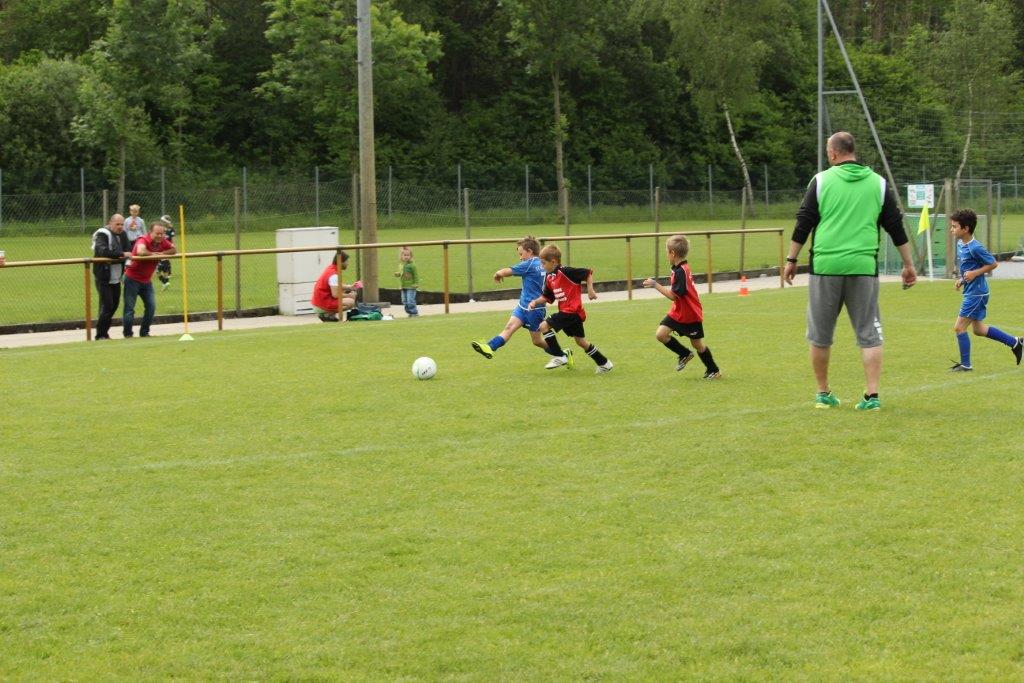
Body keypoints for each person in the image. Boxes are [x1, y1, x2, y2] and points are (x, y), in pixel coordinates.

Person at [783, 131, 917, 411]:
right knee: (869, 334)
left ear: (833, 153)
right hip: (863, 267)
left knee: (820, 335)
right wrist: (908, 265)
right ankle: (872, 396)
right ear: (853, 151)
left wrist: (791, 259)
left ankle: (823, 394)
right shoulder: (878, 183)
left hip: (825, 267)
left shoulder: (821, 181)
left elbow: (804, 222)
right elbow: (895, 226)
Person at [947, 208, 1023, 371]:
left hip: (977, 293)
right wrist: (962, 280)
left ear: (965, 229)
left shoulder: (975, 247)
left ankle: (966, 365)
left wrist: (974, 273)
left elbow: (992, 264)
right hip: (973, 291)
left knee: (959, 327)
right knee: (979, 329)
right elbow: (969, 268)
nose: (951, 229)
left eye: (954, 226)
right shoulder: (960, 244)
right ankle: (1015, 342)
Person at [471, 236, 564, 363]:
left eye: (521, 254)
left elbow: (508, 271)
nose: (520, 258)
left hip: (534, 309)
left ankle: (562, 354)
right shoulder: (542, 264)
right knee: (509, 328)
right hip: (524, 306)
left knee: (537, 341)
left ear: (530, 251)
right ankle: (489, 347)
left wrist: (498, 274)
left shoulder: (529, 264)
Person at [642, 234, 721, 379]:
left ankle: (713, 370)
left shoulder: (681, 271)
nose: (666, 255)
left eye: (667, 252)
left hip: (691, 314)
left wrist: (655, 284)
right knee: (661, 334)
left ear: (672, 253)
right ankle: (684, 354)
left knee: (697, 344)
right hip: (679, 312)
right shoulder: (679, 268)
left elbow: (673, 296)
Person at [527, 244, 613, 373]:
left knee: (543, 326)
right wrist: (535, 302)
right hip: (570, 313)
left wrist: (590, 290)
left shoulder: (566, 271)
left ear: (553, 262)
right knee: (581, 342)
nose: (542, 266)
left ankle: (560, 356)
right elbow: (547, 297)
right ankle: (604, 363)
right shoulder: (550, 278)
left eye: (544, 263)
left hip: (572, 311)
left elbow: (587, 273)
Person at [122, 217, 177, 338]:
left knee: (151, 307)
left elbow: (174, 250)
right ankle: (128, 335)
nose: (160, 236)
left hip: (146, 281)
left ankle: (144, 332)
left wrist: (162, 253)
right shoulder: (143, 239)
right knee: (129, 308)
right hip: (132, 279)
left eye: (162, 234)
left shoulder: (162, 241)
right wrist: (154, 254)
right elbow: (141, 251)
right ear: (150, 232)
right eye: (157, 233)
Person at [91, 214, 132, 340]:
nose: (120, 227)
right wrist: (121, 254)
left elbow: (128, 250)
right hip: (103, 276)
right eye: (117, 224)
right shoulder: (102, 234)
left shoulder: (123, 234)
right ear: (110, 223)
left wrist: (123, 255)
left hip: (116, 276)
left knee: (114, 305)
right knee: (107, 305)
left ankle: (104, 332)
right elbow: (102, 251)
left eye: (122, 224)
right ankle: (100, 334)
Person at [310, 251, 358, 322]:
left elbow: (336, 285)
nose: (348, 263)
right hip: (322, 303)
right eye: (346, 261)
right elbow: (335, 295)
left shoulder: (331, 268)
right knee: (350, 302)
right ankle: (327, 314)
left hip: (320, 301)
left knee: (349, 297)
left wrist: (350, 287)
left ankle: (330, 315)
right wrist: (349, 295)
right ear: (341, 262)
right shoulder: (334, 275)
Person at [393, 246, 419, 317]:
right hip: (403, 286)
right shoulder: (401, 265)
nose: (406, 257)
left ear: (411, 256)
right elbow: (401, 273)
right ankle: (410, 312)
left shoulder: (412, 265)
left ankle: (414, 313)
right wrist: (398, 274)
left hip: (411, 286)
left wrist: (416, 283)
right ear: (401, 256)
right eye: (405, 255)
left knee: (410, 300)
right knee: (404, 301)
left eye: (408, 255)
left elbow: (416, 275)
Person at [156, 215, 176, 291]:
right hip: (161, 248)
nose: (161, 222)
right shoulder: (162, 228)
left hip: (166, 248)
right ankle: (165, 282)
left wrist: (173, 247)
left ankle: (165, 281)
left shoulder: (170, 229)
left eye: (163, 221)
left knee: (161, 266)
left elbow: (172, 239)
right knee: (163, 265)